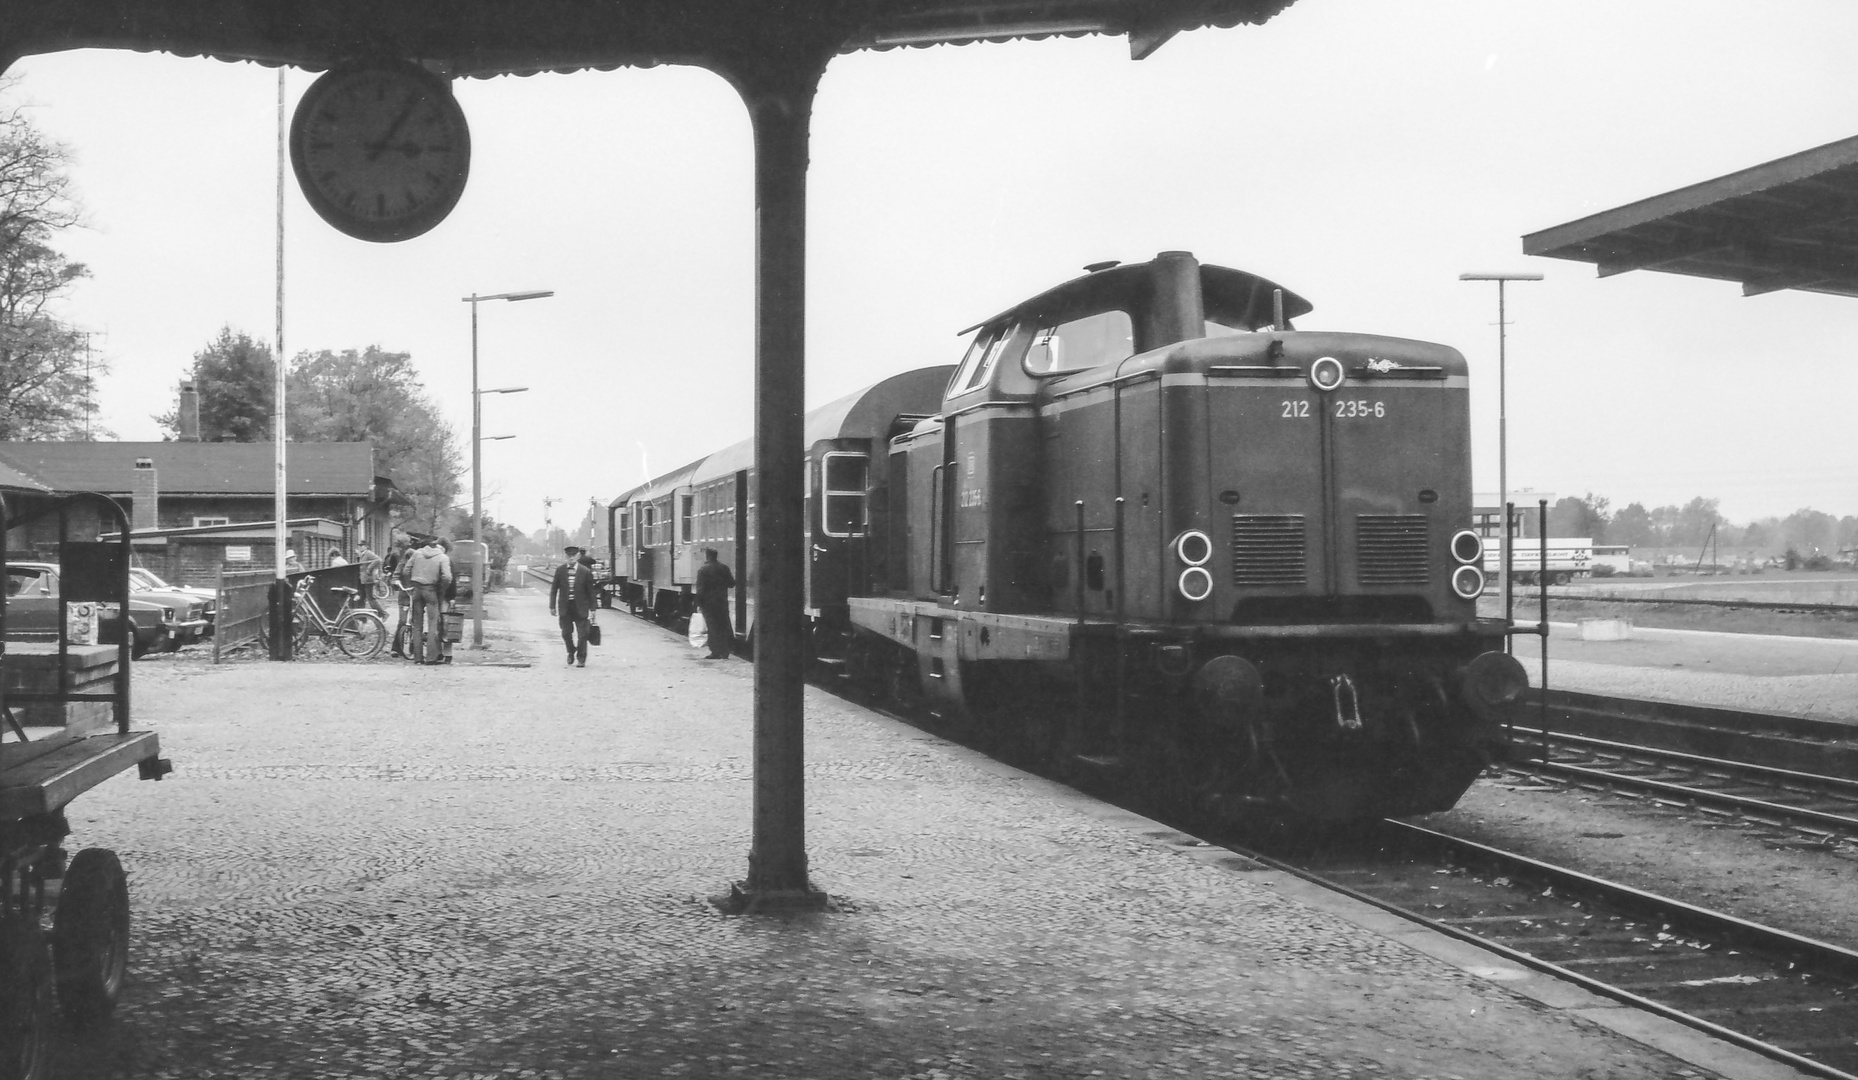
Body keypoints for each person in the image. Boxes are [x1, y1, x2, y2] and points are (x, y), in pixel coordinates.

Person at [405, 536, 452, 665]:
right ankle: (431, 658)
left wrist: (411, 583)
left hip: (416, 589)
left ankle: (418, 658)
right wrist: (441, 589)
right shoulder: (443, 557)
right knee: (433, 624)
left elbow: (406, 570)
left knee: (417, 625)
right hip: (431, 590)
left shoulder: (417, 553)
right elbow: (447, 577)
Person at [549, 545, 596, 667]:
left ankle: (581, 658)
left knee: (583, 634)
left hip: (581, 607)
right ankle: (571, 651)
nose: (571, 558)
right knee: (566, 633)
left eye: (573, 555)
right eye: (569, 556)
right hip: (565, 607)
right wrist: (552, 606)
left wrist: (593, 609)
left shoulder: (585, 571)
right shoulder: (560, 570)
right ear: (565, 556)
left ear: (578, 556)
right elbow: (554, 589)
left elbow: (591, 592)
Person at [694, 547, 735, 660]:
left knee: (712, 627)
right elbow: (732, 583)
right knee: (724, 626)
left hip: (708, 604)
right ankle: (725, 651)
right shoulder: (724, 568)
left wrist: (699, 603)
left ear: (707, 556)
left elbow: (700, 589)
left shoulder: (703, 570)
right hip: (722, 602)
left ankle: (715, 652)